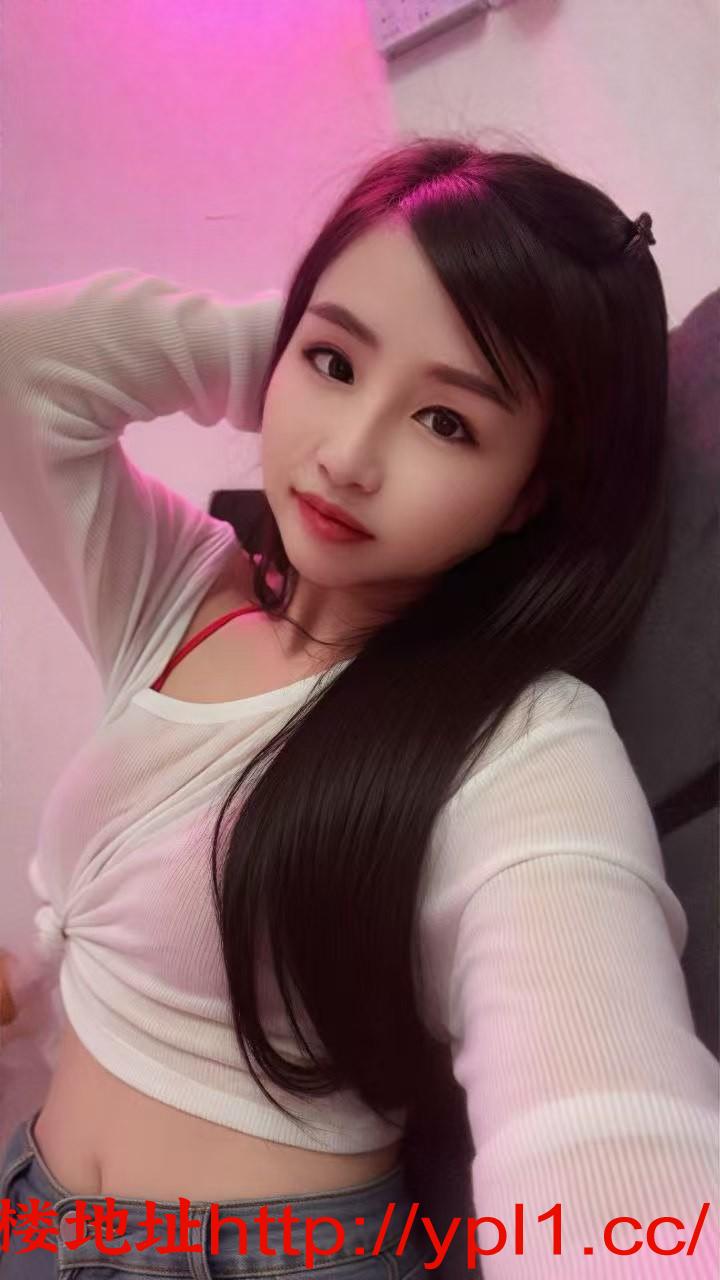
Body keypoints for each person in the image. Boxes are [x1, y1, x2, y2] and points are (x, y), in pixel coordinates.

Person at [0, 137, 717, 1278]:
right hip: (30, 1210)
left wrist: (358, 340)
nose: (346, 457)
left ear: (527, 493)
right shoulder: (176, 595)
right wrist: (310, 329)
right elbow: (21, 368)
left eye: (448, 423)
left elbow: (607, 1121)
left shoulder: (522, 739)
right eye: (332, 365)